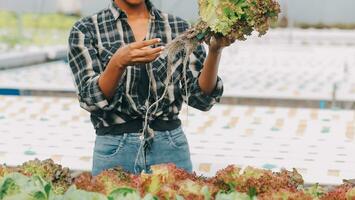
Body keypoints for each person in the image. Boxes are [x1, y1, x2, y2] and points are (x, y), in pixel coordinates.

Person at [68, 0, 233, 176]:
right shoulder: (86, 29)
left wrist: (215, 51)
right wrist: (117, 63)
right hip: (114, 149)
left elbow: (200, 98)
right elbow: (90, 99)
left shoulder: (179, 27)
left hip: (170, 147)